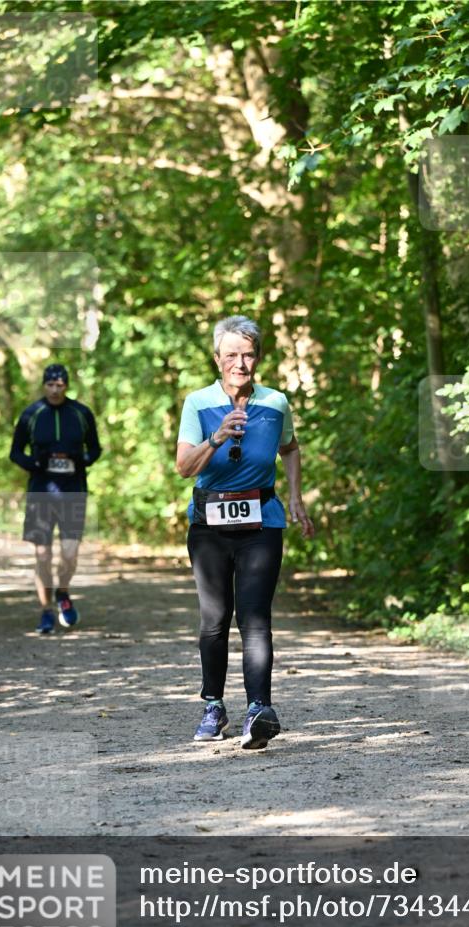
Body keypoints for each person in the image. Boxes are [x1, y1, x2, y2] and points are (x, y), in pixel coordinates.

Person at [176, 315, 315, 750]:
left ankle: (259, 709)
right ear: (217, 359)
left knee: (255, 618)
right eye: (232, 355)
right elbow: (184, 468)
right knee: (215, 621)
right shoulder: (198, 404)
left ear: (258, 358)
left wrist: (294, 496)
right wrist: (215, 438)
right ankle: (214, 706)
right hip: (209, 527)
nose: (241, 362)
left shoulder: (275, 403)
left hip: (261, 522)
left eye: (248, 354)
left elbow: (290, 449)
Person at [9, 364, 102, 634]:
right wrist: (34, 463)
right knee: (42, 554)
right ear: (43, 385)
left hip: (73, 490)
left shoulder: (81, 413)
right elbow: (15, 452)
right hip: (41, 490)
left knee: (70, 554)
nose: (54, 389)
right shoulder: (31, 414)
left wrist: (82, 459)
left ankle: (62, 592)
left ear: (66, 385)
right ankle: (46, 611)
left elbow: (95, 449)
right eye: (50, 385)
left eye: (59, 385)